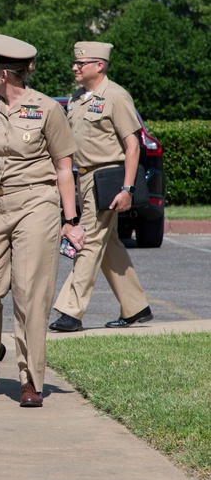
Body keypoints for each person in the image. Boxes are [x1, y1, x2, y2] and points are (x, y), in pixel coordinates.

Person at [0, 33, 85, 408]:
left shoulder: (46, 109)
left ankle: (30, 378)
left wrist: (70, 219)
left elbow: (64, 169)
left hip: (36, 205)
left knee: (30, 293)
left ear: (6, 72)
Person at [49, 42, 153, 331]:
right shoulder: (76, 99)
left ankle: (71, 312)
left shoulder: (116, 97)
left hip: (107, 178)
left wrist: (128, 189)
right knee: (109, 245)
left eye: (81, 63)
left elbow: (133, 146)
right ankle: (136, 308)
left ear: (100, 66)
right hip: (83, 178)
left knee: (89, 241)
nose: (75, 67)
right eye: (75, 62)